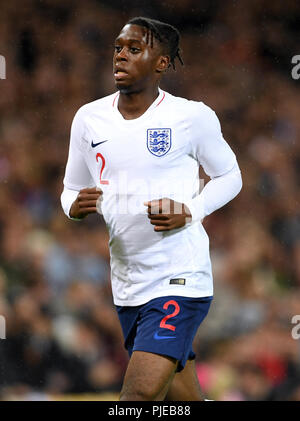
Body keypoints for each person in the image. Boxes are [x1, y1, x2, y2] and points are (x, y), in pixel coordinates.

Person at [61, 16, 242, 401]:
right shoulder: (89, 119)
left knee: (139, 396)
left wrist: (190, 210)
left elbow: (230, 177)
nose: (121, 56)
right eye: (118, 48)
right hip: (128, 285)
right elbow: (71, 188)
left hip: (180, 277)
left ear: (161, 62)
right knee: (183, 399)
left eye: (134, 48)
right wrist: (72, 207)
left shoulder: (190, 117)